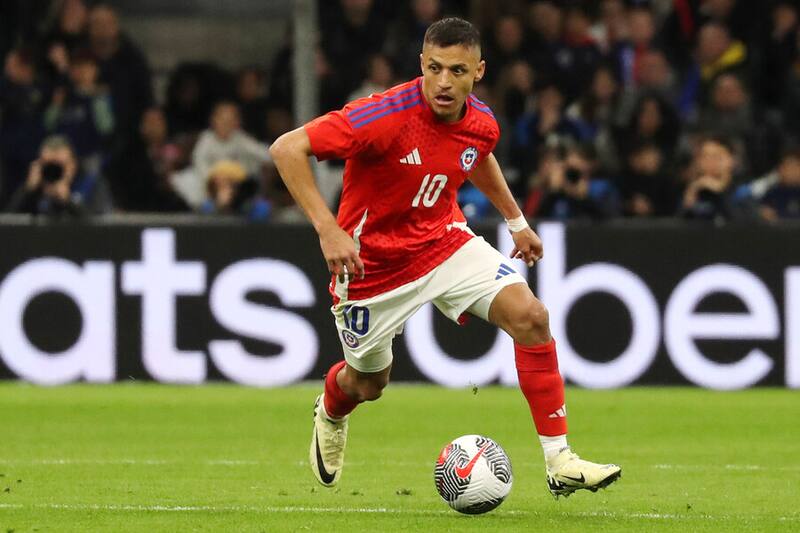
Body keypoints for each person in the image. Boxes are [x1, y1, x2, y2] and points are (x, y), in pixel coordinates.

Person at [270, 17, 620, 498]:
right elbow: (287, 149)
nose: (443, 82)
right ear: (421, 64)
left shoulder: (481, 121)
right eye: (434, 68)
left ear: (478, 71)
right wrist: (328, 229)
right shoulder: (383, 114)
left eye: (457, 71)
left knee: (531, 317)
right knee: (368, 383)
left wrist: (516, 221)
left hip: (444, 241)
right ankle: (330, 410)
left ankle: (560, 459)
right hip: (373, 267)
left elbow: (476, 154)